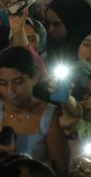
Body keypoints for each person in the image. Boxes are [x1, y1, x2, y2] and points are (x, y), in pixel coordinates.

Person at [0, 45, 69, 175]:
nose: (10, 91)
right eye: (3, 83)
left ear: (34, 77)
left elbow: (60, 171)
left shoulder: (50, 117)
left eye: (18, 82)